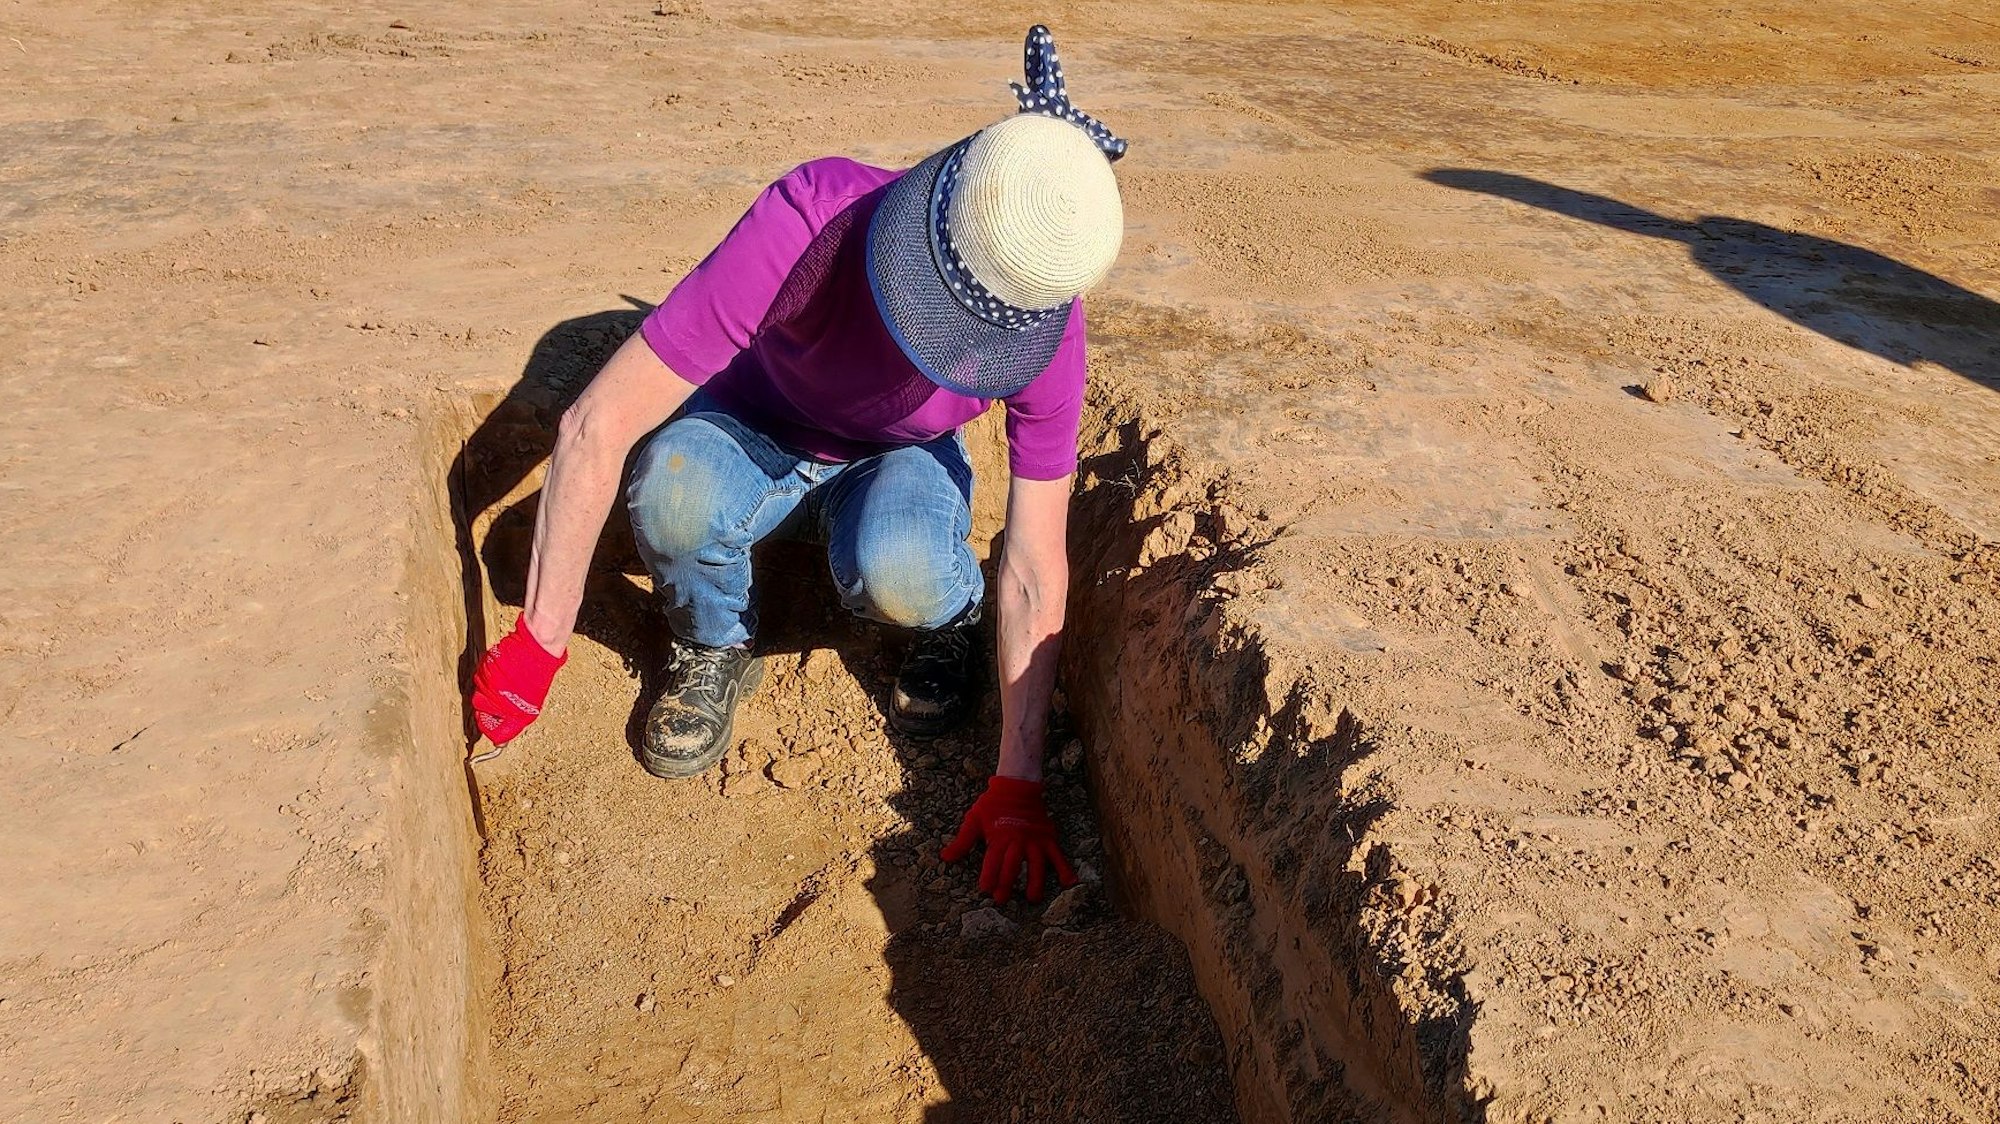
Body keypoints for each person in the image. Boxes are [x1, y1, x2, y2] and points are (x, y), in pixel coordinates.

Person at [468, 26, 1125, 905]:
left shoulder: (1050, 333)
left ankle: (938, 627)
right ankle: (713, 639)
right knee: (670, 498)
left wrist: (1018, 781)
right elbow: (597, 424)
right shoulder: (811, 217)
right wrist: (539, 641)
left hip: (901, 455)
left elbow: (1037, 564)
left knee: (908, 573)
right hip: (755, 419)